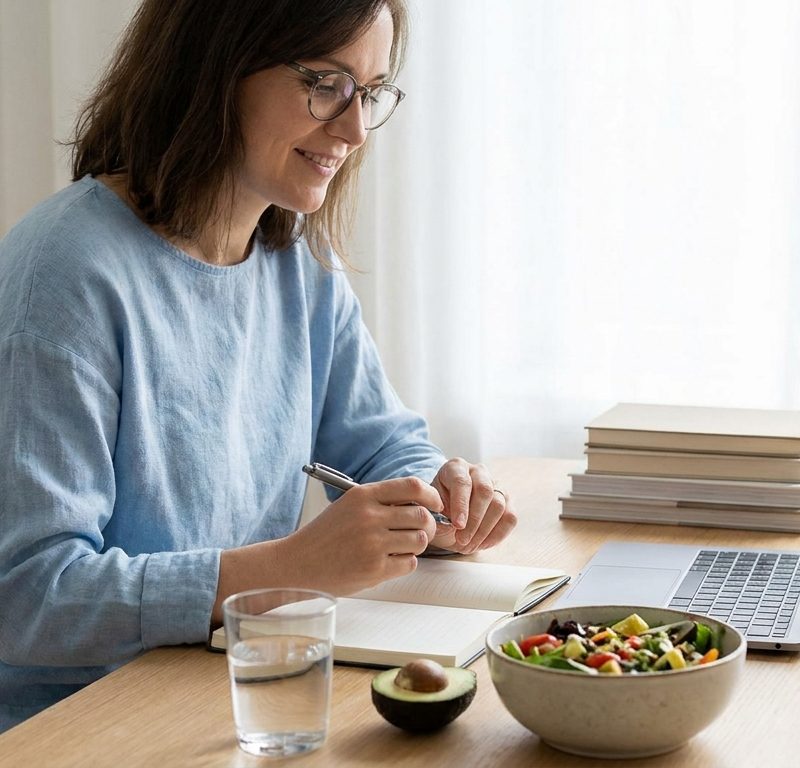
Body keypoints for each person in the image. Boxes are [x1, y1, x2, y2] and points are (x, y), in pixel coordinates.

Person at [0, 0, 516, 732]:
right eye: (327, 84)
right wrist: (287, 569)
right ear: (215, 69)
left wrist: (434, 491)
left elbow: (375, 443)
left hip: (225, 697)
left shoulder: (297, 259)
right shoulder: (65, 275)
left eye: (369, 92)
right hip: (79, 728)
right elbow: (26, 596)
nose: (354, 129)